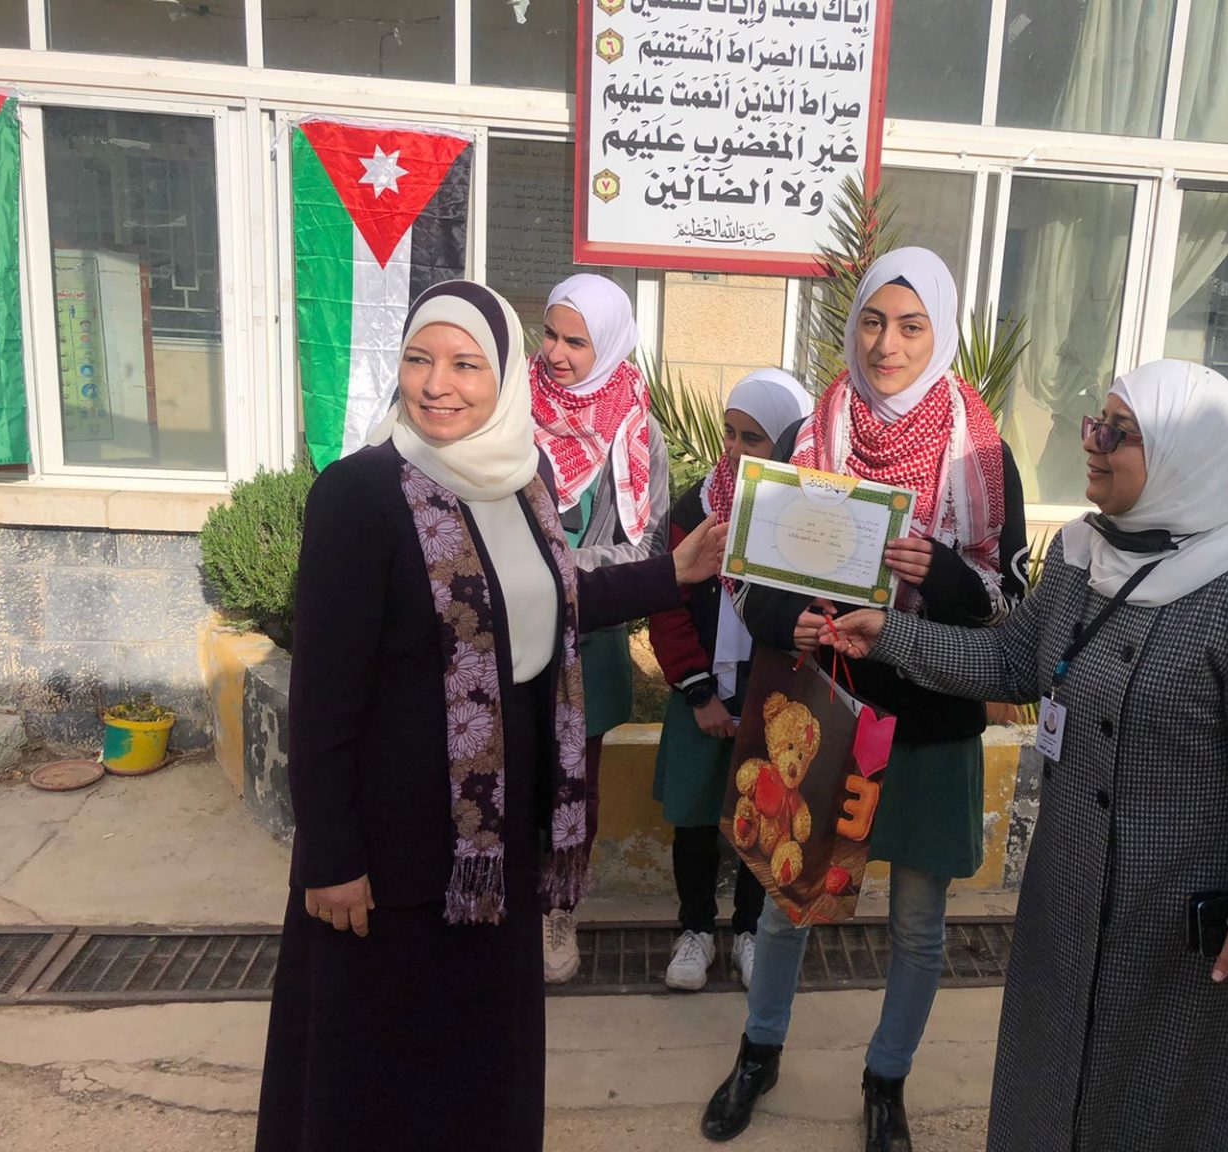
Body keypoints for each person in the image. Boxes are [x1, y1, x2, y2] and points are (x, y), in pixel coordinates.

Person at [255, 280, 724, 1152]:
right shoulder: (360, 494)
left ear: (502, 377)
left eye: (467, 364)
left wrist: (673, 572)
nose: (438, 384)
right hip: (392, 854)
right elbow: (323, 695)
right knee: (380, 1072)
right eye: (419, 360)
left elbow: (546, 599)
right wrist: (329, 857)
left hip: (495, 843)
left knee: (475, 1065)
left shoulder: (519, 480)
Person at [823, 360, 1228, 1152]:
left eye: (1118, 433)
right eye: (1097, 424)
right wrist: (891, 635)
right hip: (1069, 896)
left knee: (1164, 1109)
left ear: (1184, 454)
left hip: (1183, 923)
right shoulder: (1080, 554)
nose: (1092, 443)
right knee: (1055, 1084)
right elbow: (1012, 664)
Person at [700, 248, 1029, 1152]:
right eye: (875, 322)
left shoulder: (983, 456)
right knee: (788, 900)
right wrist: (793, 623)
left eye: (912, 326)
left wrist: (944, 570)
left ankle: (887, 1082)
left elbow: (1009, 602)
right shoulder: (812, 438)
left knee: (918, 926)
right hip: (820, 710)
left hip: (929, 722)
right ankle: (759, 1053)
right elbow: (750, 580)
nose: (888, 345)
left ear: (940, 332)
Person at [649, 368, 815, 992]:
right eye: (730, 433)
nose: (737, 449)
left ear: (789, 441)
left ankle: (749, 929)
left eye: (755, 438)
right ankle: (695, 928)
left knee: (766, 815)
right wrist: (698, 690)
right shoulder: (696, 508)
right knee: (695, 816)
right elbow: (667, 602)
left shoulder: (808, 516)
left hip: (776, 695)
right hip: (703, 692)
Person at [530, 272, 670, 984]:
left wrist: (550, 563)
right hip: (512, 636)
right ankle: (502, 905)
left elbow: (649, 547)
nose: (556, 353)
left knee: (575, 787)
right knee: (508, 774)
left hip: (590, 640)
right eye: (550, 335)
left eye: (576, 342)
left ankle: (559, 912)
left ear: (609, 346)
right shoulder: (507, 408)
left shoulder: (637, 429)